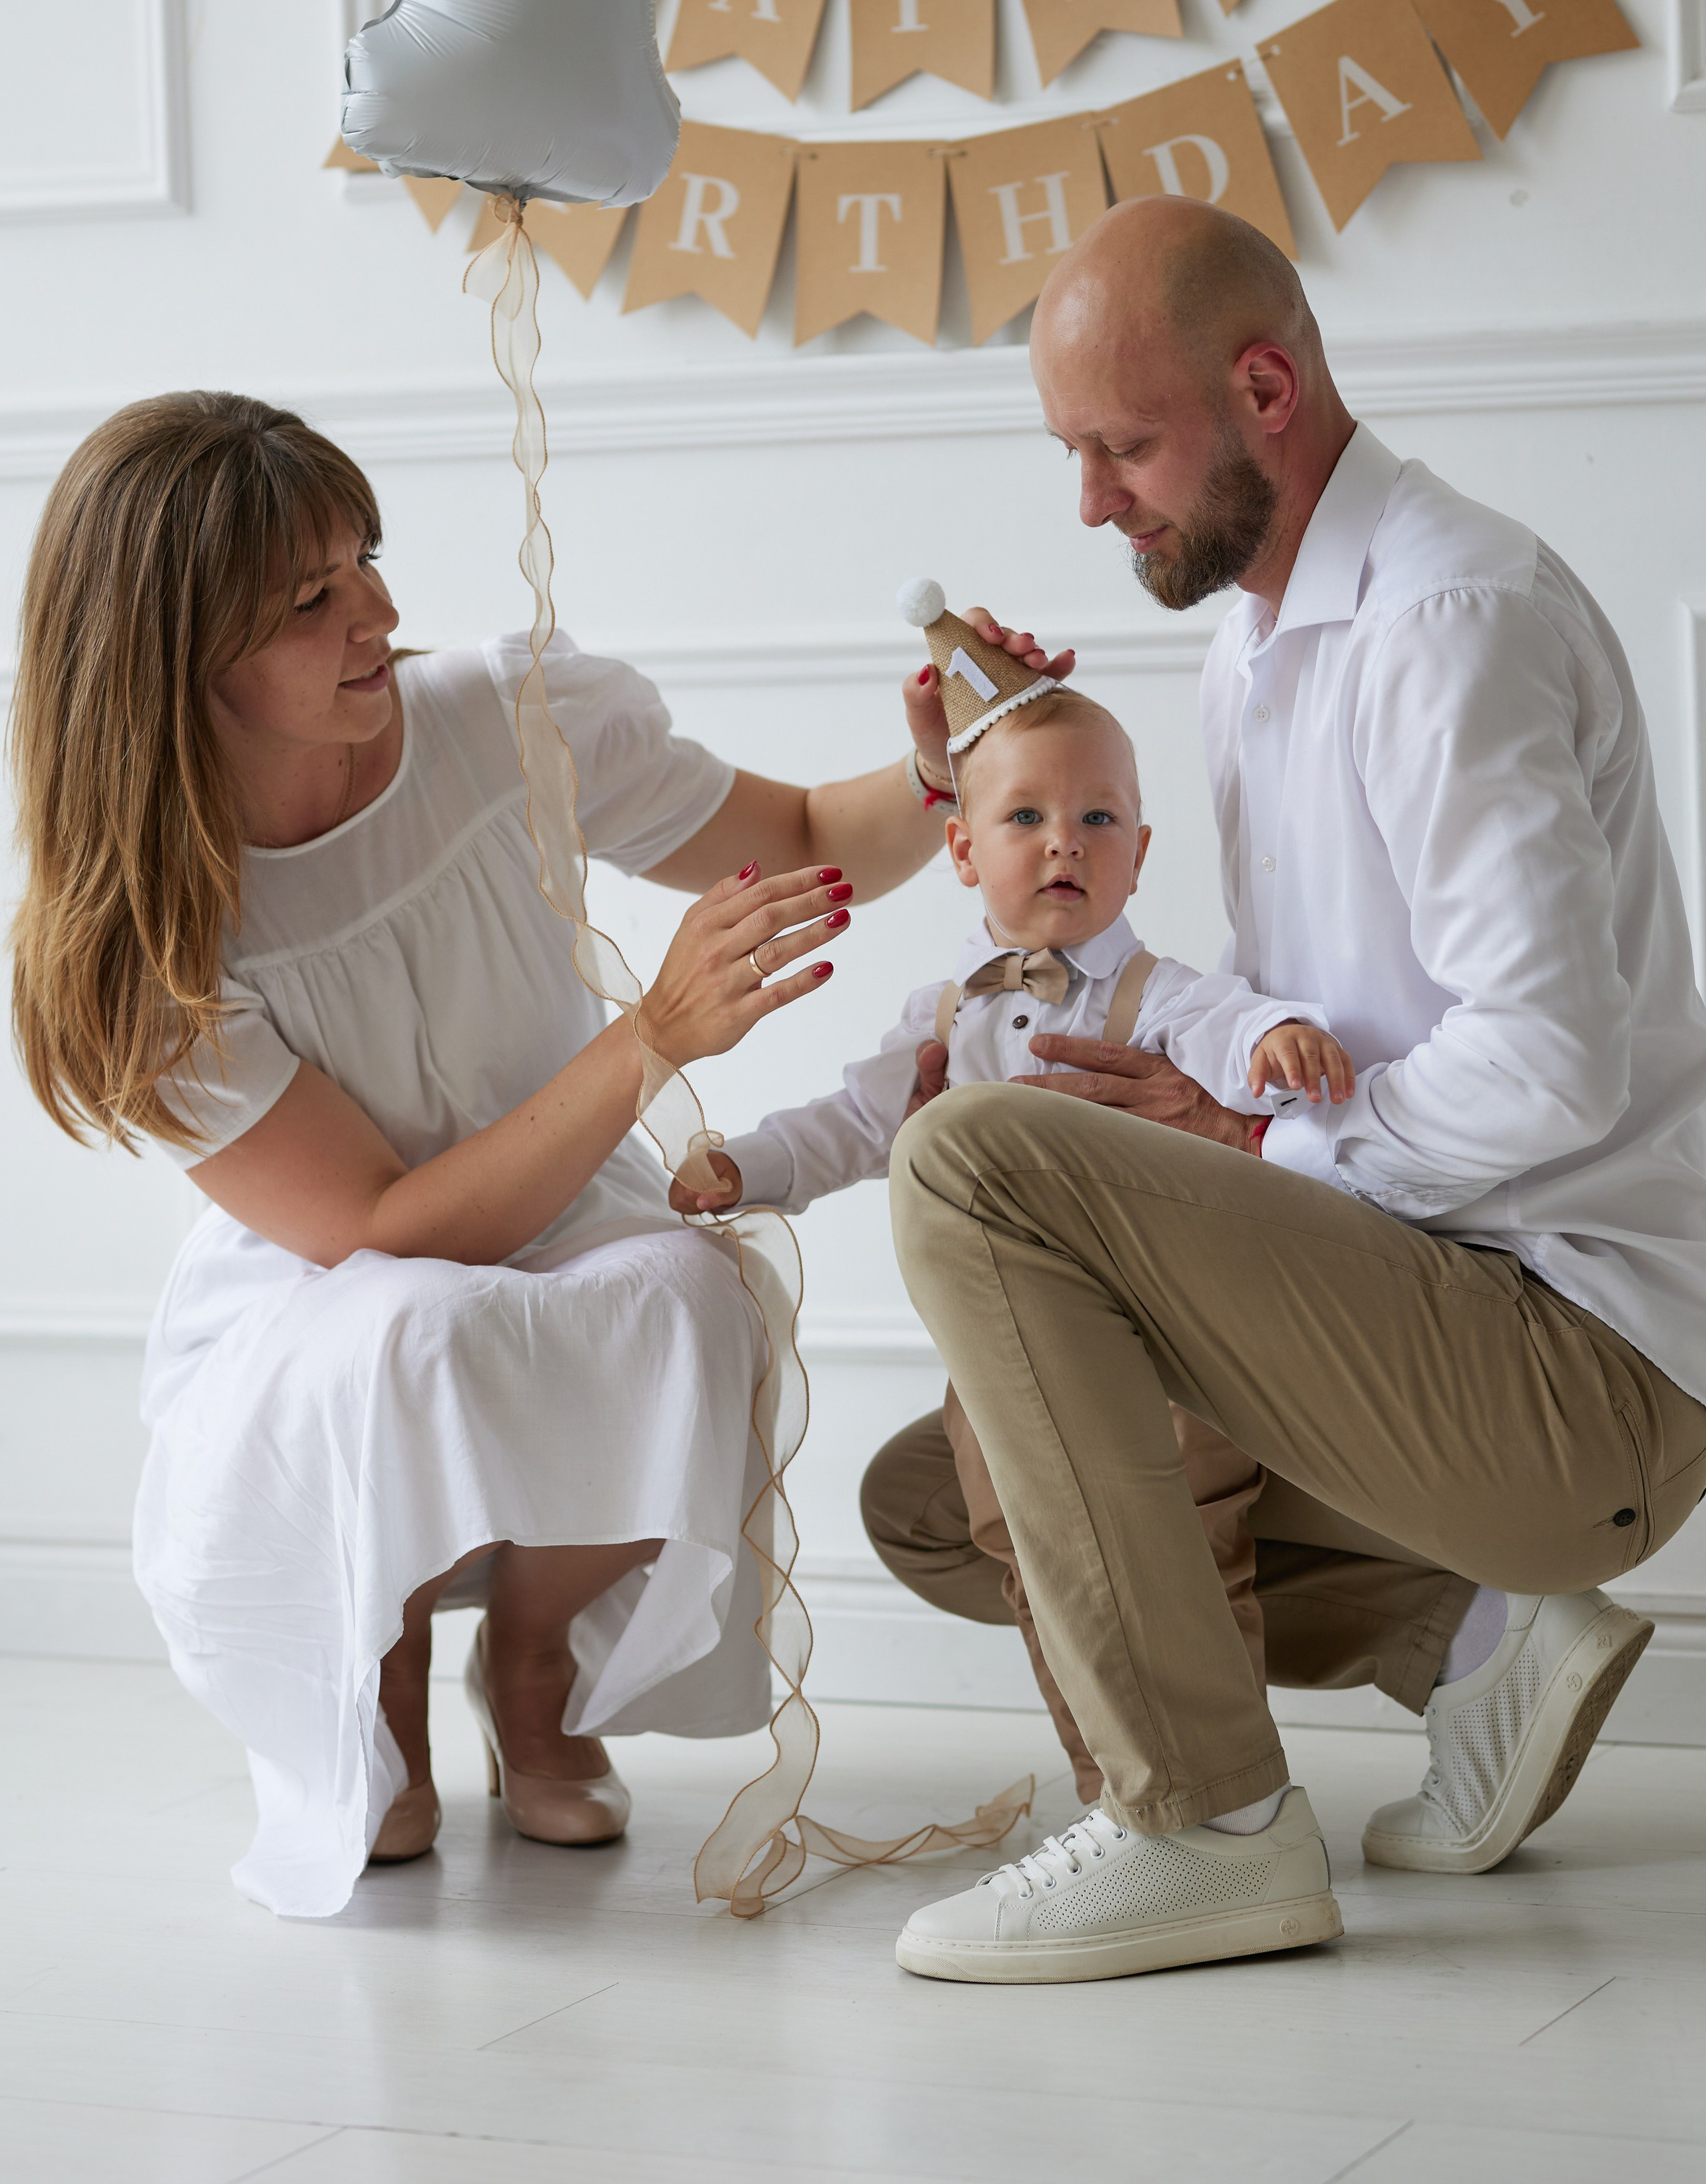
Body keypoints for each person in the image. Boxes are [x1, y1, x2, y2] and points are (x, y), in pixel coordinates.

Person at [6, 389, 1066, 1921]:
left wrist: (939, 770)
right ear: (180, 658)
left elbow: (791, 836)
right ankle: (375, 1682)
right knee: (407, 1328)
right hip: (332, 1286)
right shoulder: (144, 940)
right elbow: (377, 1224)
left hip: (564, 1206)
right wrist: (648, 1036)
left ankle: (537, 1664)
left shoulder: (500, 722)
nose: (377, 611)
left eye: (364, 558)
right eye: (310, 601)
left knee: (690, 1297)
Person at [880, 196, 1706, 1987]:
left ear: (1267, 387)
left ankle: (1206, 1827)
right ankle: (1480, 1637)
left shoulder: (1447, 620)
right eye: (1072, 456)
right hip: (1429, 1320)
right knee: (950, 1494)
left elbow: (1550, 1063)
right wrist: (988, 798)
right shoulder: (1262, 635)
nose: (1093, 504)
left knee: (970, 1171)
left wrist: (1252, 1144)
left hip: (1579, 1370)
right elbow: (1289, 1037)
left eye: (1120, 448)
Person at [674, 642, 1353, 1796]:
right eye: (1027, 816)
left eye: (1098, 818)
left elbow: (1227, 1025)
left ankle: (1237, 1798)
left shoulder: (1158, 999)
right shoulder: (944, 1017)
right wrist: (747, 1165)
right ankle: (1121, 1794)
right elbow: (850, 1122)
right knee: (1038, 1564)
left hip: (1169, 1357)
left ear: (1140, 856)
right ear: (962, 849)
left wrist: (1274, 1040)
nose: (1063, 842)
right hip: (1004, 1364)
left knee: (1195, 1558)